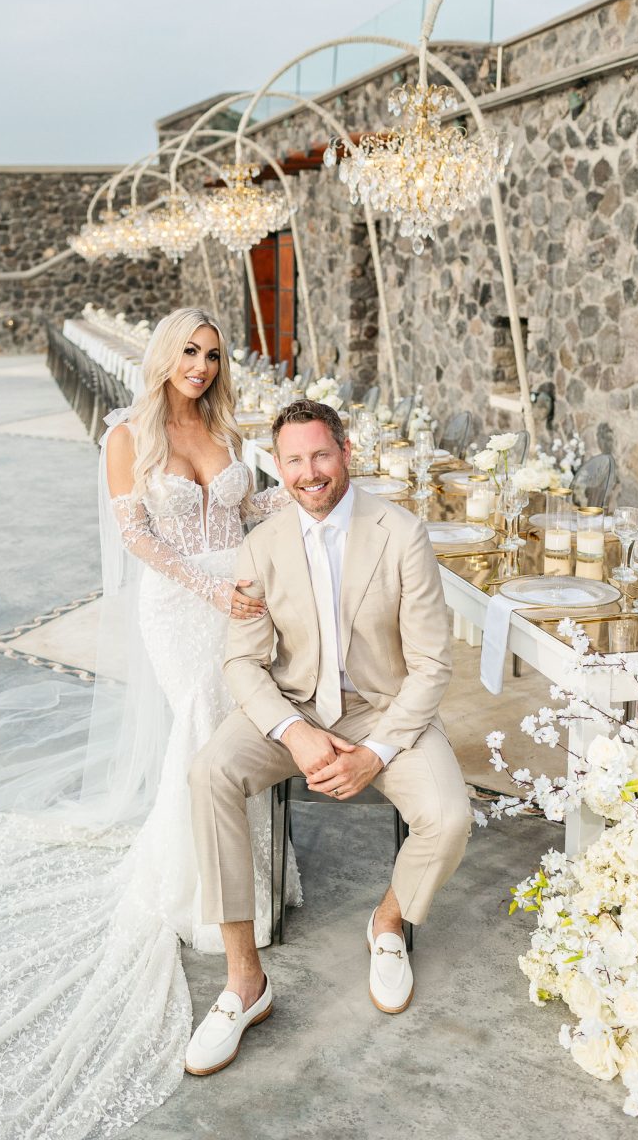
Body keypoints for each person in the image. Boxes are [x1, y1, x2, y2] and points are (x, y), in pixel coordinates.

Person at [0, 307, 297, 1137]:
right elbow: (141, 539)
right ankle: (203, 899)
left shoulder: (224, 424)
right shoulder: (128, 434)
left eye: (212, 354)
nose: (200, 364)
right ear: (161, 355)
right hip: (183, 606)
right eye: (188, 350)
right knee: (200, 725)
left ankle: (256, 887)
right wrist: (214, 589)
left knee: (241, 730)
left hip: (241, 598)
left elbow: (247, 515)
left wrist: (294, 498)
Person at [185, 399, 472, 1076]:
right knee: (209, 774)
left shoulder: (402, 533)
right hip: (291, 710)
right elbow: (242, 661)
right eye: (293, 460)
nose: (309, 472)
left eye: (320, 454)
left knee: (451, 816)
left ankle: (390, 922)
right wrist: (294, 732)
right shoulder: (262, 544)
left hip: (384, 712)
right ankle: (244, 984)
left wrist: (377, 752)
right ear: (277, 467)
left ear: (346, 452)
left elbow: (432, 663)